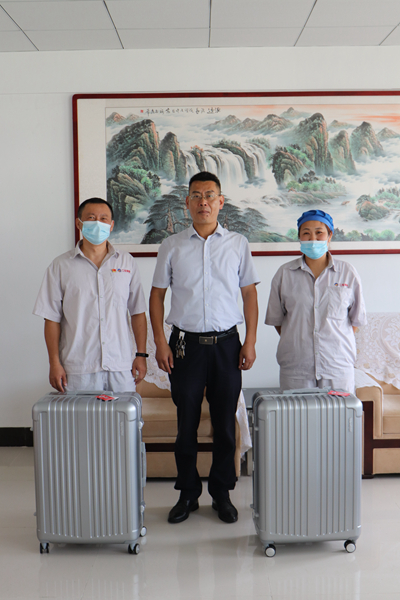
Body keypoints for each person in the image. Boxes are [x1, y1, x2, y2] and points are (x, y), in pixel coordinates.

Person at [150, 172, 259, 525]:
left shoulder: (238, 244)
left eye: (210, 195)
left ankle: (222, 493)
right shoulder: (172, 245)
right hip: (185, 347)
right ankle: (187, 493)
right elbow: (157, 296)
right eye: (196, 195)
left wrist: (250, 341)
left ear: (220, 202)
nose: (203, 202)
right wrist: (160, 342)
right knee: (187, 424)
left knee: (225, 424)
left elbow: (249, 294)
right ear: (187, 203)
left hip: (227, 345)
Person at [33, 197, 148, 393]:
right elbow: (51, 318)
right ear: (79, 223)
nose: (97, 223)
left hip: (120, 366)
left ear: (111, 225)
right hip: (78, 368)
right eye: (91, 218)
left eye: (103, 219)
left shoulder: (126, 262)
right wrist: (54, 362)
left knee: (123, 414)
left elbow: (137, 312)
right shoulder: (60, 266)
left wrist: (141, 355)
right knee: (80, 415)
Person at [265, 209, 367, 393]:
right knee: (296, 413)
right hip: (296, 367)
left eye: (319, 232)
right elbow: (278, 321)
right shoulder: (284, 274)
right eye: (306, 233)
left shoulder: (347, 272)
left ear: (329, 236)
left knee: (340, 412)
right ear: (299, 237)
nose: (313, 238)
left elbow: (355, 321)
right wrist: (300, 338)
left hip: (337, 366)